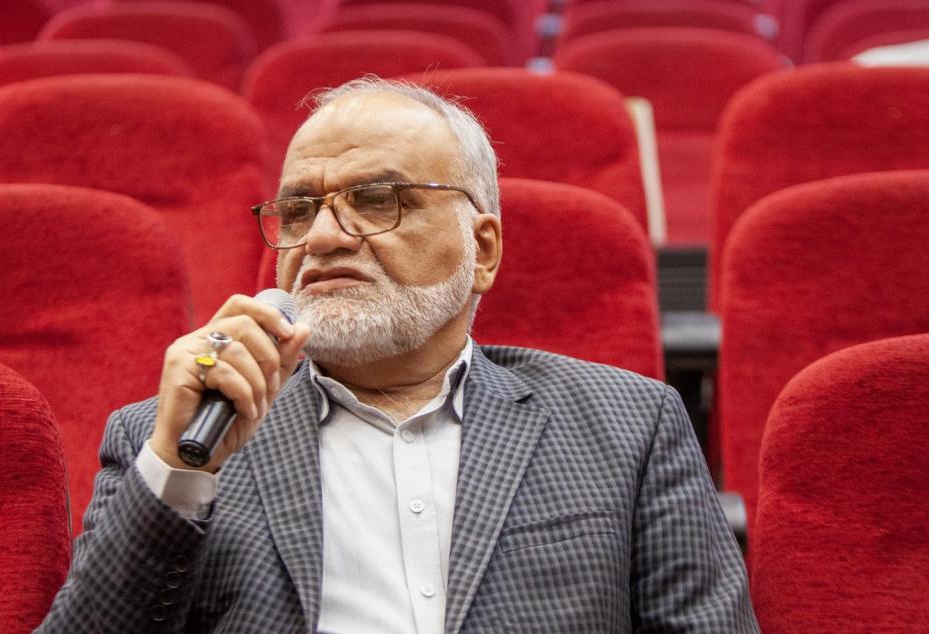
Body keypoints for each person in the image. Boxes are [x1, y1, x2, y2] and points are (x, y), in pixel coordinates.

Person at [37, 77, 757, 633]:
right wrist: (178, 472)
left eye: (378, 199)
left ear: (481, 250)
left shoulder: (626, 426)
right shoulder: (175, 441)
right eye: (298, 210)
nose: (323, 237)